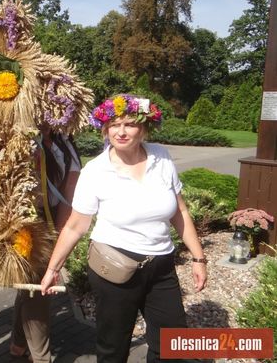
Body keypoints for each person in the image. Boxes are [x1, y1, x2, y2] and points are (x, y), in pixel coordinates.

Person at [40, 94, 207, 363]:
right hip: (114, 270)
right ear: (105, 129)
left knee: (172, 345)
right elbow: (74, 226)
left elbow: (181, 212)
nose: (121, 131)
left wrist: (199, 258)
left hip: (161, 267)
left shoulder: (161, 158)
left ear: (143, 128)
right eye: (114, 124)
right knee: (113, 348)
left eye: (129, 124)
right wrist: (52, 269)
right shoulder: (95, 171)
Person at [10, 125, 81, 363]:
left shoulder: (65, 145)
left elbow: (68, 196)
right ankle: (41, 357)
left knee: (32, 287)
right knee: (37, 290)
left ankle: (18, 343)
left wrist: (59, 238)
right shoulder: (17, 141)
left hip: (52, 220)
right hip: (22, 223)